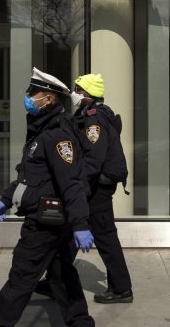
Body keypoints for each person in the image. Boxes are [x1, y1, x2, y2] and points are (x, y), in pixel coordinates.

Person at [0, 68, 95, 327]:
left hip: (46, 220)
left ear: (48, 99)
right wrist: (6, 198)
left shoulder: (57, 134)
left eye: (32, 93)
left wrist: (81, 225)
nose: (28, 97)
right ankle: (80, 321)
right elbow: (30, 175)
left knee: (23, 273)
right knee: (60, 272)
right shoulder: (42, 131)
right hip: (50, 218)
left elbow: (71, 183)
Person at [71, 73, 133, 304]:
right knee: (69, 232)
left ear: (87, 94)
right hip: (94, 186)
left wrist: (75, 184)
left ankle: (121, 289)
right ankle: (56, 279)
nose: (74, 94)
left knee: (105, 237)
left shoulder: (94, 119)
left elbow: (93, 160)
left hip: (96, 188)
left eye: (78, 90)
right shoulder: (89, 115)